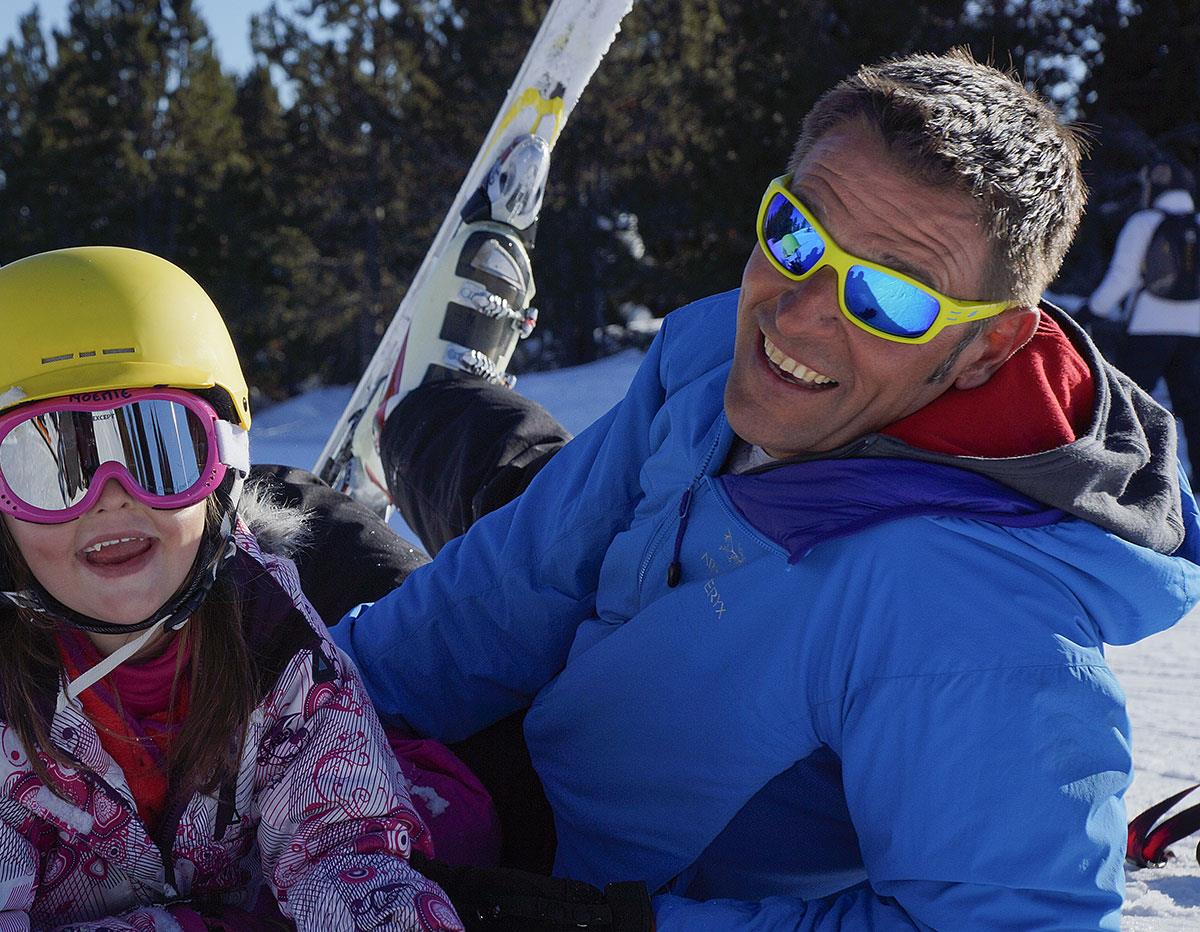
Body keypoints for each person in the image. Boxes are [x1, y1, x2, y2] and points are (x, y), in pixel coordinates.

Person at [323, 50, 1200, 930]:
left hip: (580, 866)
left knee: (312, 535)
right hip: (606, 663)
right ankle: (428, 401)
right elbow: (520, 577)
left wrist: (616, 926)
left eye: (890, 298)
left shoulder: (966, 617)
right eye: (796, 232)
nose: (796, 311)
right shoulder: (716, 356)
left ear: (988, 349)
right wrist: (302, 699)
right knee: (472, 441)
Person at [0, 247, 485, 930]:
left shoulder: (272, 635)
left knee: (462, 815)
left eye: (159, 450)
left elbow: (347, 854)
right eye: (50, 465)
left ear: (224, 472)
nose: (111, 498)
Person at [1089, 160, 1200, 468]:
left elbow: (1122, 275)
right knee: (1193, 409)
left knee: (1129, 406)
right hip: (1194, 332)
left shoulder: (1144, 222)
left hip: (1147, 328)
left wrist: (1094, 309)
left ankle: (1128, 472)